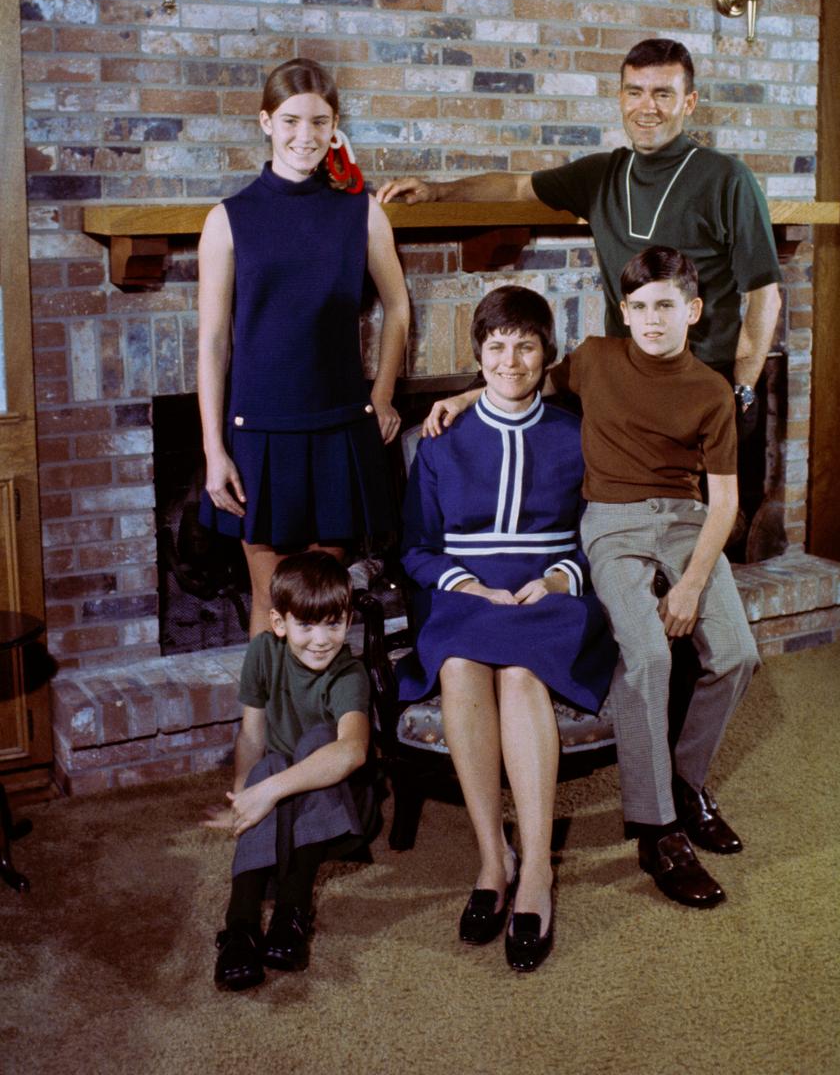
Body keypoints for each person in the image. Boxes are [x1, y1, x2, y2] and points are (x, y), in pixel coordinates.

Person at [424, 248, 761, 909]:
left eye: (664, 305)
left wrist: (691, 584)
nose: (650, 320)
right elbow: (522, 380)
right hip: (612, 522)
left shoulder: (711, 390)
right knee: (644, 655)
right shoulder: (596, 358)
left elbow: (723, 504)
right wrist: (467, 394)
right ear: (622, 313)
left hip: (690, 520)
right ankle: (656, 828)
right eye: (637, 307)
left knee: (735, 653)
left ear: (690, 311)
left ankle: (686, 782)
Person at [377, 37, 782, 539]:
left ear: (689, 102)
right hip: (626, 389)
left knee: (698, 536)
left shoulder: (727, 179)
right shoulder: (603, 174)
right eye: (634, 92)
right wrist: (439, 191)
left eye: (662, 93)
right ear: (620, 98)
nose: (646, 107)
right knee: (627, 528)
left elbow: (765, 293)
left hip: (700, 389)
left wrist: (740, 386)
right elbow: (519, 187)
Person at [399, 286, 617, 971]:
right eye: (496, 346)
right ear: (477, 356)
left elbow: (599, 531)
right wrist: (467, 585)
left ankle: (537, 876)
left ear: (546, 353)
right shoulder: (439, 441)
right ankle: (493, 862)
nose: (510, 359)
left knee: (521, 673)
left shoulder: (577, 432)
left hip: (551, 595)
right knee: (461, 666)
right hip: (466, 596)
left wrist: (558, 580)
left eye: (525, 344)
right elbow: (414, 547)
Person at [198, 57, 410, 636]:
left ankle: (325, 726)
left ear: (335, 125)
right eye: (291, 120)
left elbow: (398, 308)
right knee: (270, 594)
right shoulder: (227, 219)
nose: (305, 136)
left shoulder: (361, 213)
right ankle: (260, 728)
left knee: (321, 600)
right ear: (266, 122)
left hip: (339, 426)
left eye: (319, 122)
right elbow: (214, 343)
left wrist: (384, 393)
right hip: (259, 431)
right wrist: (214, 452)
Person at [204, 551, 380, 991]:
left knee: (317, 743)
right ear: (279, 623)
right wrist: (243, 802)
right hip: (283, 796)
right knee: (272, 761)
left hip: (344, 811)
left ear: (347, 620)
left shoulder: (349, 672)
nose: (321, 639)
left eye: (333, 623)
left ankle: (292, 913)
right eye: (306, 625)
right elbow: (250, 737)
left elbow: (353, 751)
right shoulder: (264, 651)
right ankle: (240, 928)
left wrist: (268, 793)